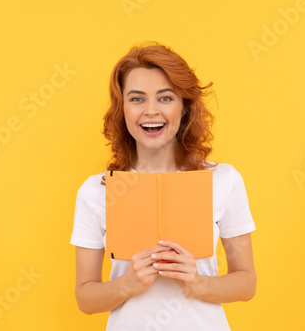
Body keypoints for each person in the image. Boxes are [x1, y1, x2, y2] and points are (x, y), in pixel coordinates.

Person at [71, 41, 256, 330]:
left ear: (184, 108)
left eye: (165, 98)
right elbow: (85, 298)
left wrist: (198, 283)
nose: (151, 111)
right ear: (122, 109)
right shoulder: (97, 190)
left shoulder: (223, 180)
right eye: (137, 99)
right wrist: (126, 284)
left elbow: (246, 283)